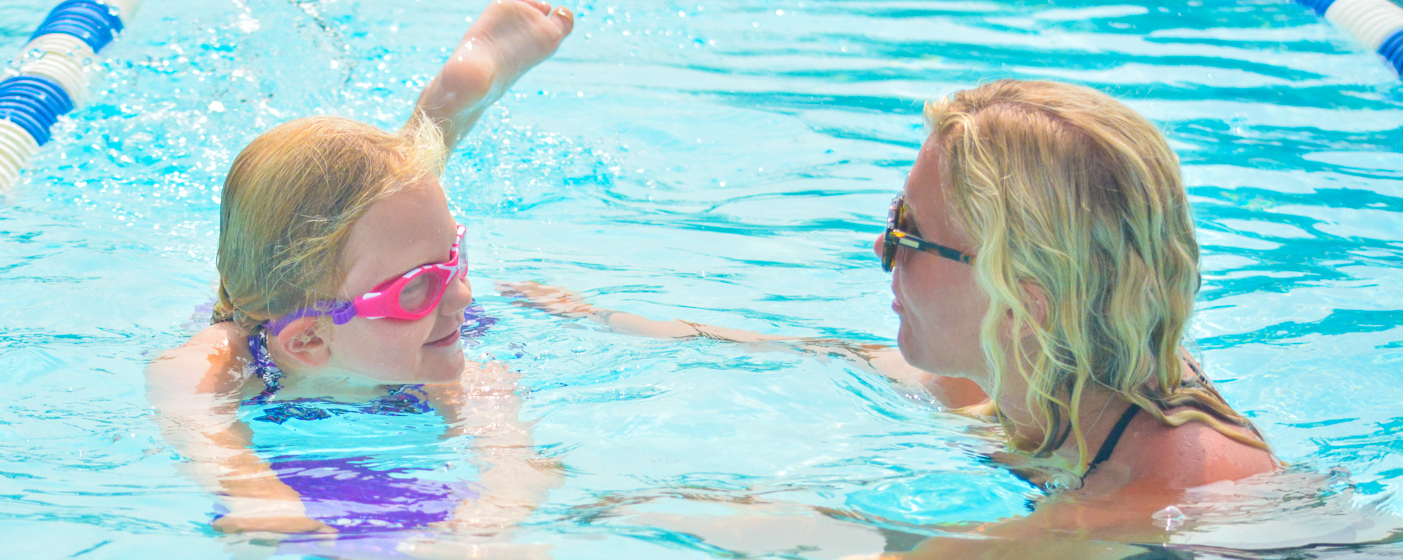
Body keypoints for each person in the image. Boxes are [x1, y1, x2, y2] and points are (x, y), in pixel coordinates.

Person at [505, 79, 1277, 557]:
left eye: (911, 235)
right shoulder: (1063, 368)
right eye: (893, 220)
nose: (881, 247)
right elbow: (841, 355)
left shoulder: (1153, 500)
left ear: (1024, 300)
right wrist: (597, 319)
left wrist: (552, 501)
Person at [144, 0, 573, 550]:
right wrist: (250, 486)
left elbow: (515, 463)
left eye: (456, 259)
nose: (463, 293)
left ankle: (447, 110)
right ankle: (442, 113)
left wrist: (489, 519)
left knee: (399, 203)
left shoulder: (446, 357)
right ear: (311, 340)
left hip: (371, 316)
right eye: (416, 285)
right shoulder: (237, 354)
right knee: (362, 230)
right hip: (304, 310)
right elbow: (179, 393)